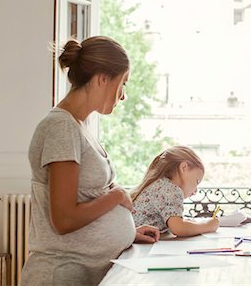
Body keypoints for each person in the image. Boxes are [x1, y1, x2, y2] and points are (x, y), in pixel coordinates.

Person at [21, 36, 160, 286]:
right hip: (62, 274)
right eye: (123, 83)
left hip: (84, 272)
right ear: (102, 79)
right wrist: (117, 196)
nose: (124, 96)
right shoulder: (60, 128)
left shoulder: (78, 125)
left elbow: (86, 198)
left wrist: (128, 235)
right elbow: (64, 219)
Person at [131, 145, 219, 237]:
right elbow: (178, 228)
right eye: (197, 181)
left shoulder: (161, 185)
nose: (195, 191)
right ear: (184, 167)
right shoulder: (171, 189)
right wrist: (208, 226)